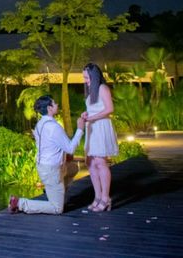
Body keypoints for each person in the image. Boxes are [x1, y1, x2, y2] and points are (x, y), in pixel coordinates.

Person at [8, 95, 85, 215]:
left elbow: (51, 145)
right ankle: (20, 203)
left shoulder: (40, 124)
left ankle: (57, 192)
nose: (57, 105)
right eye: (55, 103)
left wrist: (64, 156)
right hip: (51, 170)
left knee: (73, 168)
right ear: (49, 108)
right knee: (57, 209)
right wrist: (80, 129)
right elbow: (70, 148)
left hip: (47, 167)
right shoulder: (54, 127)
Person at [81, 62, 119, 212]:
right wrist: (86, 114)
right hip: (92, 127)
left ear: (94, 76)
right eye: (84, 78)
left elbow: (110, 109)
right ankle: (97, 196)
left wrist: (92, 117)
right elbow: (93, 108)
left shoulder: (103, 88)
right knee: (90, 163)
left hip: (101, 126)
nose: (85, 80)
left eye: (87, 77)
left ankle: (105, 198)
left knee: (100, 162)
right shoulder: (91, 90)